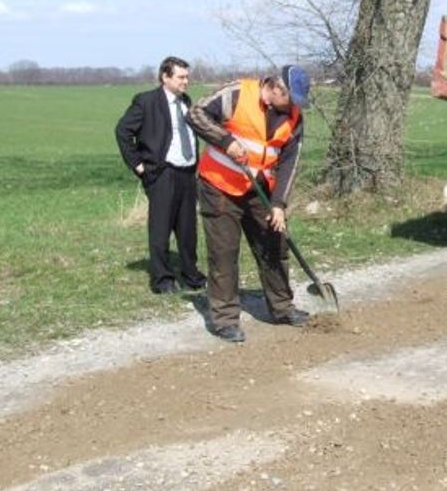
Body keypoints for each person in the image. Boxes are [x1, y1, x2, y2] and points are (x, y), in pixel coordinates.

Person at [187, 65, 311, 343]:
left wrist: (279, 203)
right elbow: (195, 113)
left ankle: (282, 308)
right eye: (290, 99)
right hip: (219, 186)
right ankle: (225, 319)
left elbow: (290, 162)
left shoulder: (294, 118)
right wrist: (226, 141)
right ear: (278, 89)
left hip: (260, 191)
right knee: (224, 253)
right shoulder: (237, 93)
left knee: (274, 244)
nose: (293, 106)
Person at [114, 56, 207, 295]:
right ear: (165, 77)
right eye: (181, 77)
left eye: (187, 76)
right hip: (162, 173)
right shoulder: (146, 101)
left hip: (187, 173)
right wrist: (138, 165)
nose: (186, 81)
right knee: (160, 228)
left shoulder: (186, 101)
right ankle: (162, 279)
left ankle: (191, 275)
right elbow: (123, 131)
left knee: (188, 229)